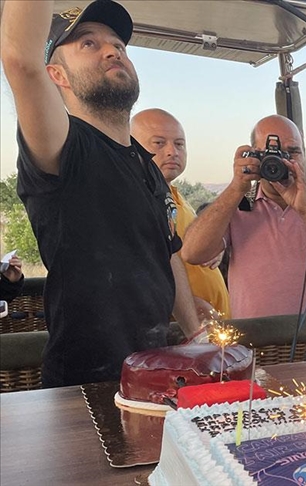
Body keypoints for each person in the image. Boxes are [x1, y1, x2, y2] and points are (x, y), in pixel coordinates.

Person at [0, 0, 202, 387]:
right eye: (88, 44)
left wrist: (196, 334)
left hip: (151, 376)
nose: (112, 50)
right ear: (56, 74)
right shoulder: (65, 147)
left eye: (118, 45)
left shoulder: (146, 164)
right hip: (84, 386)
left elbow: (167, 251)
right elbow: (20, 60)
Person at [182, 115, 306, 319]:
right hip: (256, 335)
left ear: (304, 155)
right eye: (271, 154)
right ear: (253, 157)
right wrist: (236, 188)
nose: (283, 162)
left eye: (293, 152)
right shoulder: (238, 203)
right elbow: (192, 253)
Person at [131, 108, 231, 319]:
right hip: (179, 329)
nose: (172, 152)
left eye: (179, 144)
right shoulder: (134, 202)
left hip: (212, 328)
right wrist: (184, 306)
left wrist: (214, 247)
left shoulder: (175, 196)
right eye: (159, 143)